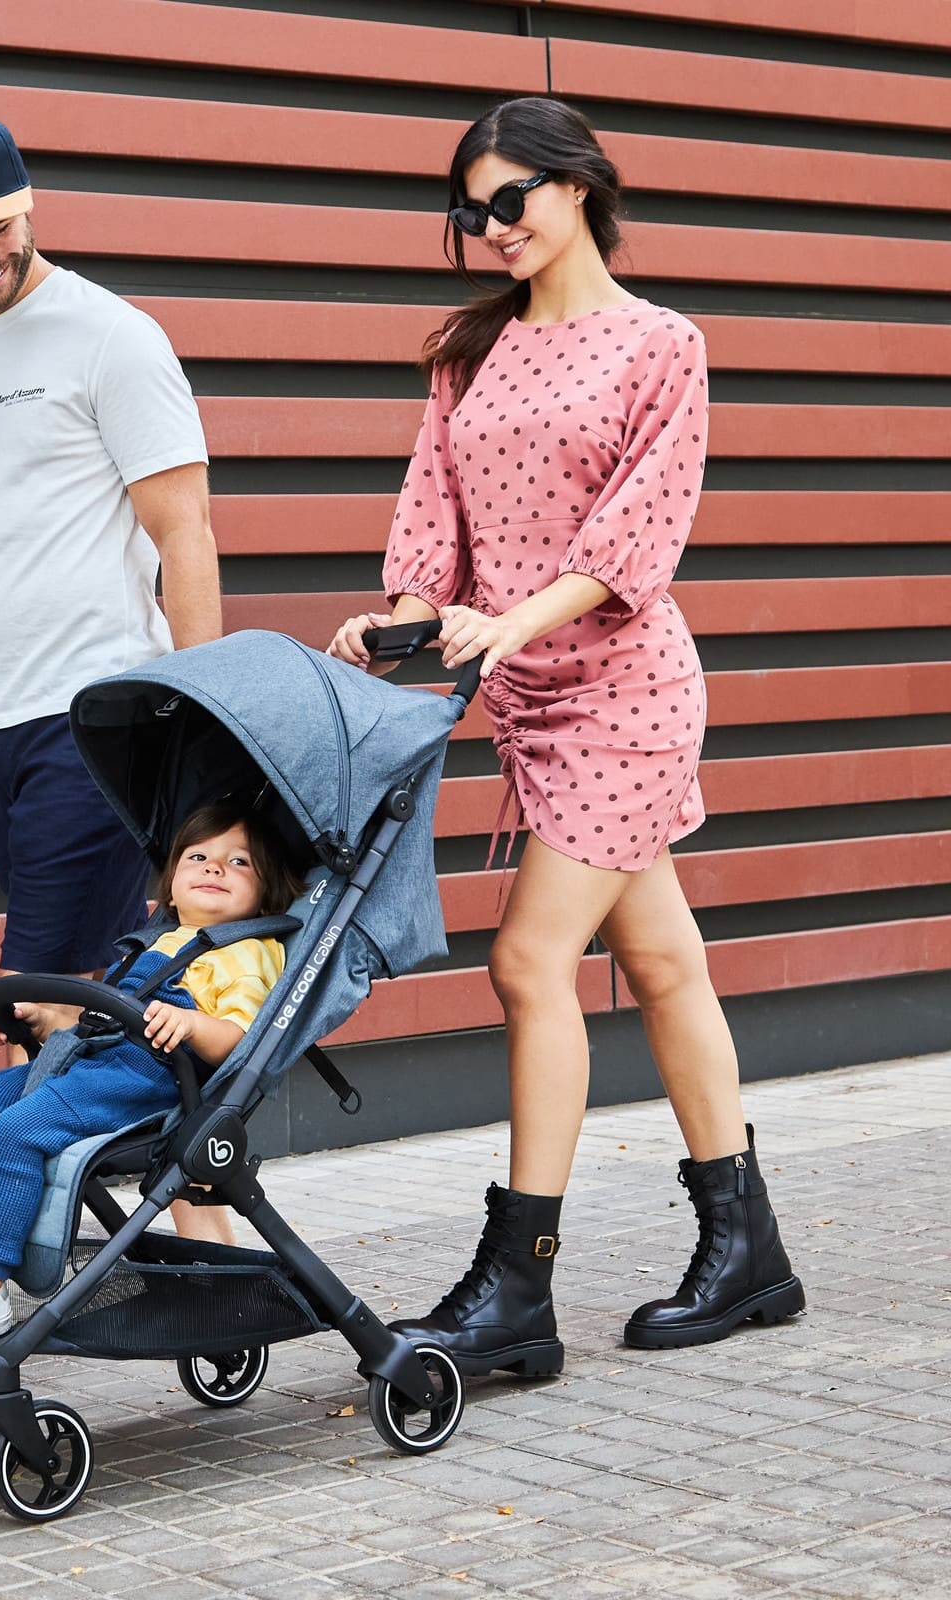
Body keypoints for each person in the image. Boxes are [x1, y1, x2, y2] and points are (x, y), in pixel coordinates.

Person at [328, 97, 803, 1375]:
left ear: (577, 185)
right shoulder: (467, 352)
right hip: (524, 701)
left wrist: (508, 623)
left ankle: (517, 1288)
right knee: (663, 965)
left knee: (528, 961)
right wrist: (398, 618)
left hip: (626, 697)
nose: (491, 227)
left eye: (510, 199)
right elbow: (433, 526)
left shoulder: (660, 344)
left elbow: (632, 541)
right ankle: (748, 1249)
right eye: (469, 210)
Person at [0, 112, 234, 1248]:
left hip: (96, 722)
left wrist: (196, 712)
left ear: (28, 202)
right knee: (109, 994)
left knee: (35, 1000)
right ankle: (202, 1246)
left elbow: (183, 529)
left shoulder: (111, 337)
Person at [0, 803, 302, 1354]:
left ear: (266, 894)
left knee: (19, 1131)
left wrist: (194, 1023)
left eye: (238, 862)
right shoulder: (154, 941)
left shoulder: (250, 953)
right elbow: (103, 1020)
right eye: (198, 857)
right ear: (171, 885)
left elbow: (242, 1039)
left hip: (150, 1080)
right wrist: (45, 1020)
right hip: (90, 1060)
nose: (214, 867)